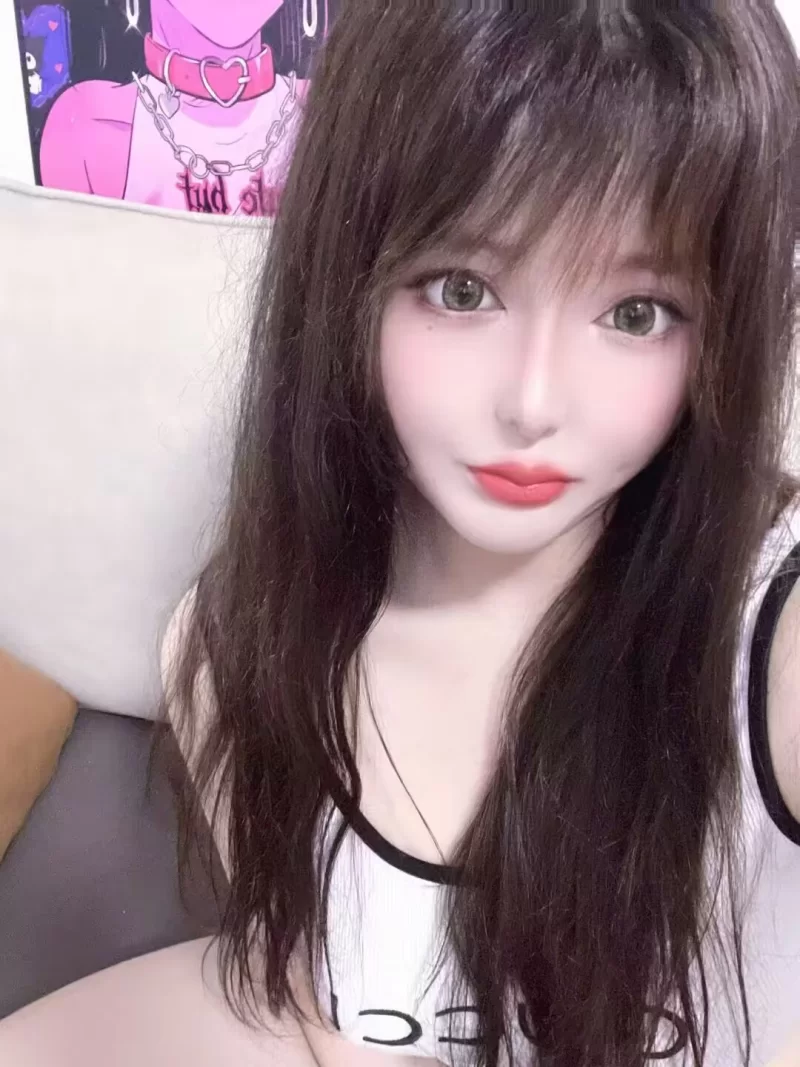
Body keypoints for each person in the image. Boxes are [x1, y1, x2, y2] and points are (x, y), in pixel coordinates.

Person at [0, 2, 798, 1065]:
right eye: (462, 290)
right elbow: (316, 1014)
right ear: (348, 283)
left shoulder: (772, 643)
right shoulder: (236, 642)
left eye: (637, 312)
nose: (532, 401)